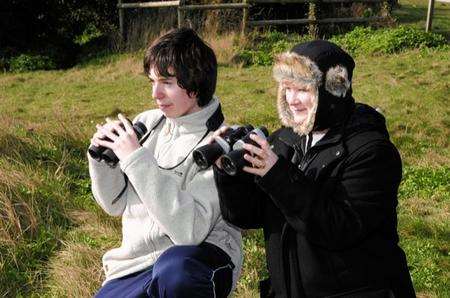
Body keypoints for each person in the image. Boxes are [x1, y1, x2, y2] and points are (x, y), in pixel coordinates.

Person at [213, 40, 415, 297]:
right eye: (287, 88)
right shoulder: (284, 140)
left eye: (303, 90)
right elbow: (247, 217)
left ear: (333, 89)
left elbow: (338, 228)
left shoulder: (372, 152)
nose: (292, 100)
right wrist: (229, 174)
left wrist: (277, 174)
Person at [88, 28, 242, 298]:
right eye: (152, 82)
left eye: (167, 83)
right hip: (134, 265)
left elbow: (190, 231)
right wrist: (102, 159)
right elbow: (113, 204)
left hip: (197, 260)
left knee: (176, 273)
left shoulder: (220, 143)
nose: (155, 94)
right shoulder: (147, 123)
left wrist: (136, 158)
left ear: (195, 85)